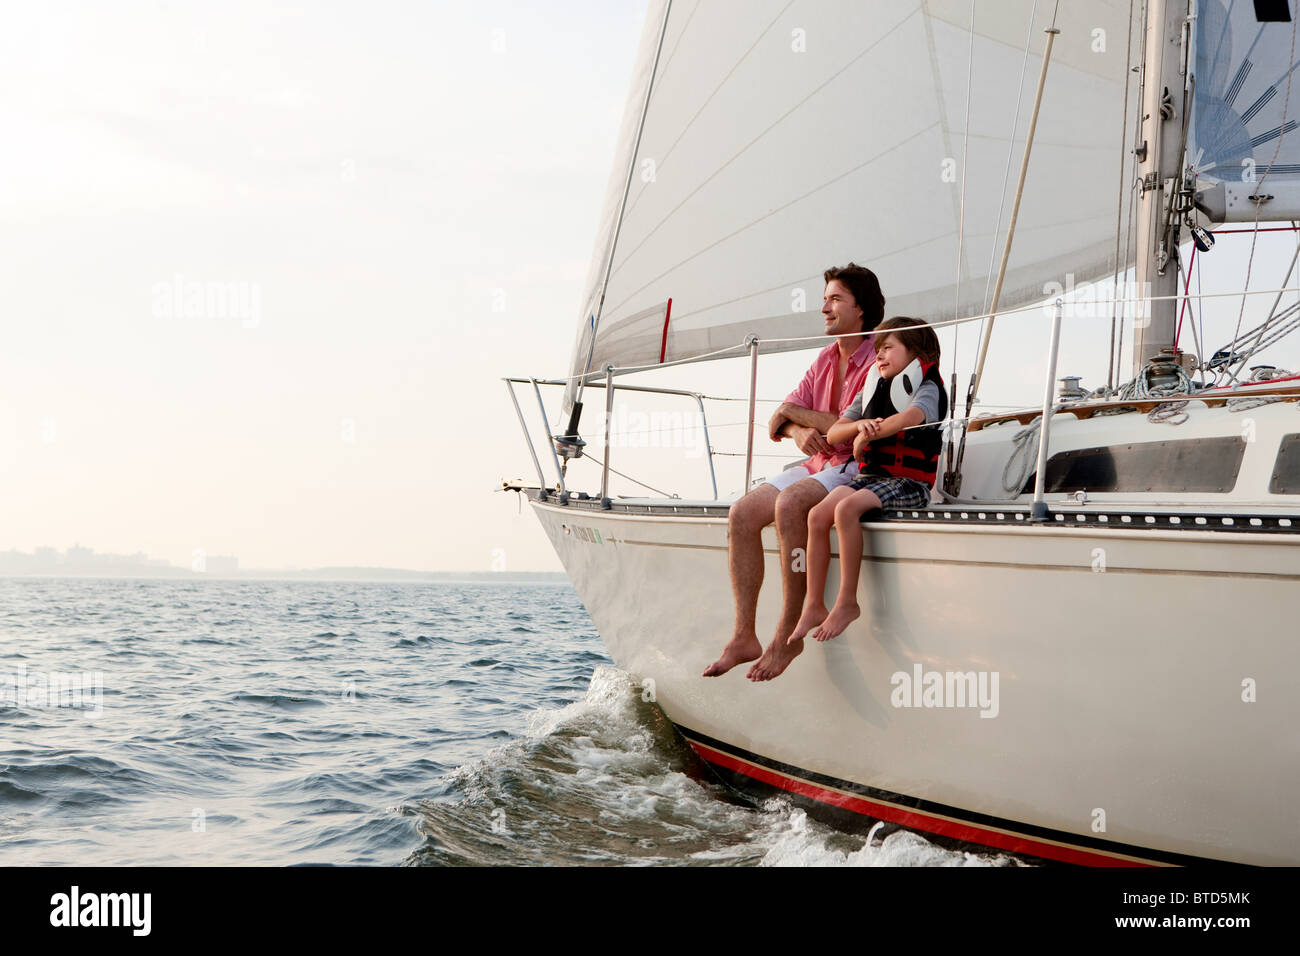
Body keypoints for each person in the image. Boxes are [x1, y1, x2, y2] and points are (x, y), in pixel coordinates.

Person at [703, 263, 885, 681]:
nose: (824, 308)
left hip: (854, 465)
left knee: (790, 505)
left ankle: (789, 633)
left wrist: (794, 414)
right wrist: (800, 427)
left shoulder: (878, 361)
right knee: (742, 514)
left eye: (835, 299)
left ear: (862, 309)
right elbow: (777, 423)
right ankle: (744, 635)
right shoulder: (825, 357)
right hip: (818, 462)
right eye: (824, 299)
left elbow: (845, 424)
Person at [783, 316, 947, 654]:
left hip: (909, 483)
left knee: (845, 509)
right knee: (817, 514)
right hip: (872, 478)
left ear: (915, 352)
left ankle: (847, 602)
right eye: (877, 350)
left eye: (888, 348)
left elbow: (910, 419)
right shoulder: (872, 388)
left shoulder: (927, 387)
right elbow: (838, 431)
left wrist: (873, 431)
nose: (880, 356)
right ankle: (814, 603)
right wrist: (860, 428)